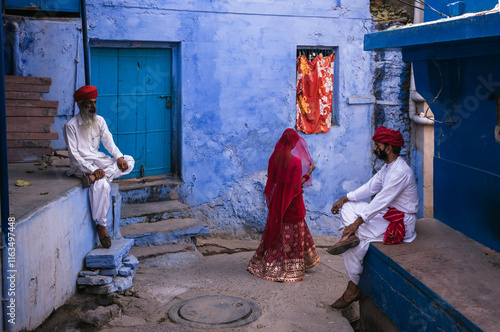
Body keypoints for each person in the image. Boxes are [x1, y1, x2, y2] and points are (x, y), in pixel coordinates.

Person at [328, 126, 418, 309]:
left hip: (399, 222)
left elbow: (381, 201)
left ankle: (352, 289)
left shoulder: (400, 172)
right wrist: (344, 198)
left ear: (389, 148)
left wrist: (356, 223)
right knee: (348, 208)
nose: (374, 148)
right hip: (387, 215)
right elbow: (370, 188)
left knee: (358, 242)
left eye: (378, 145)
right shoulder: (388, 168)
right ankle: (351, 239)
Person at [63, 85, 135, 249]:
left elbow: (109, 142)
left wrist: (119, 157)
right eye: (90, 103)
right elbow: (75, 156)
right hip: (81, 166)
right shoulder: (70, 126)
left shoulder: (100, 120)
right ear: (80, 105)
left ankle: (95, 178)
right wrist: (91, 170)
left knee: (129, 161)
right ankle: (102, 226)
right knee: (102, 185)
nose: (94, 107)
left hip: (99, 162)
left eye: (95, 103)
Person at [247, 128, 319, 282]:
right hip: (292, 204)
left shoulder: (274, 159)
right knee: (294, 232)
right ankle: (292, 266)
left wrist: (278, 197)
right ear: (293, 144)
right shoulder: (295, 162)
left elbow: (272, 182)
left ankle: (271, 261)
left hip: (278, 202)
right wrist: (308, 173)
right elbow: (295, 187)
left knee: (277, 230)